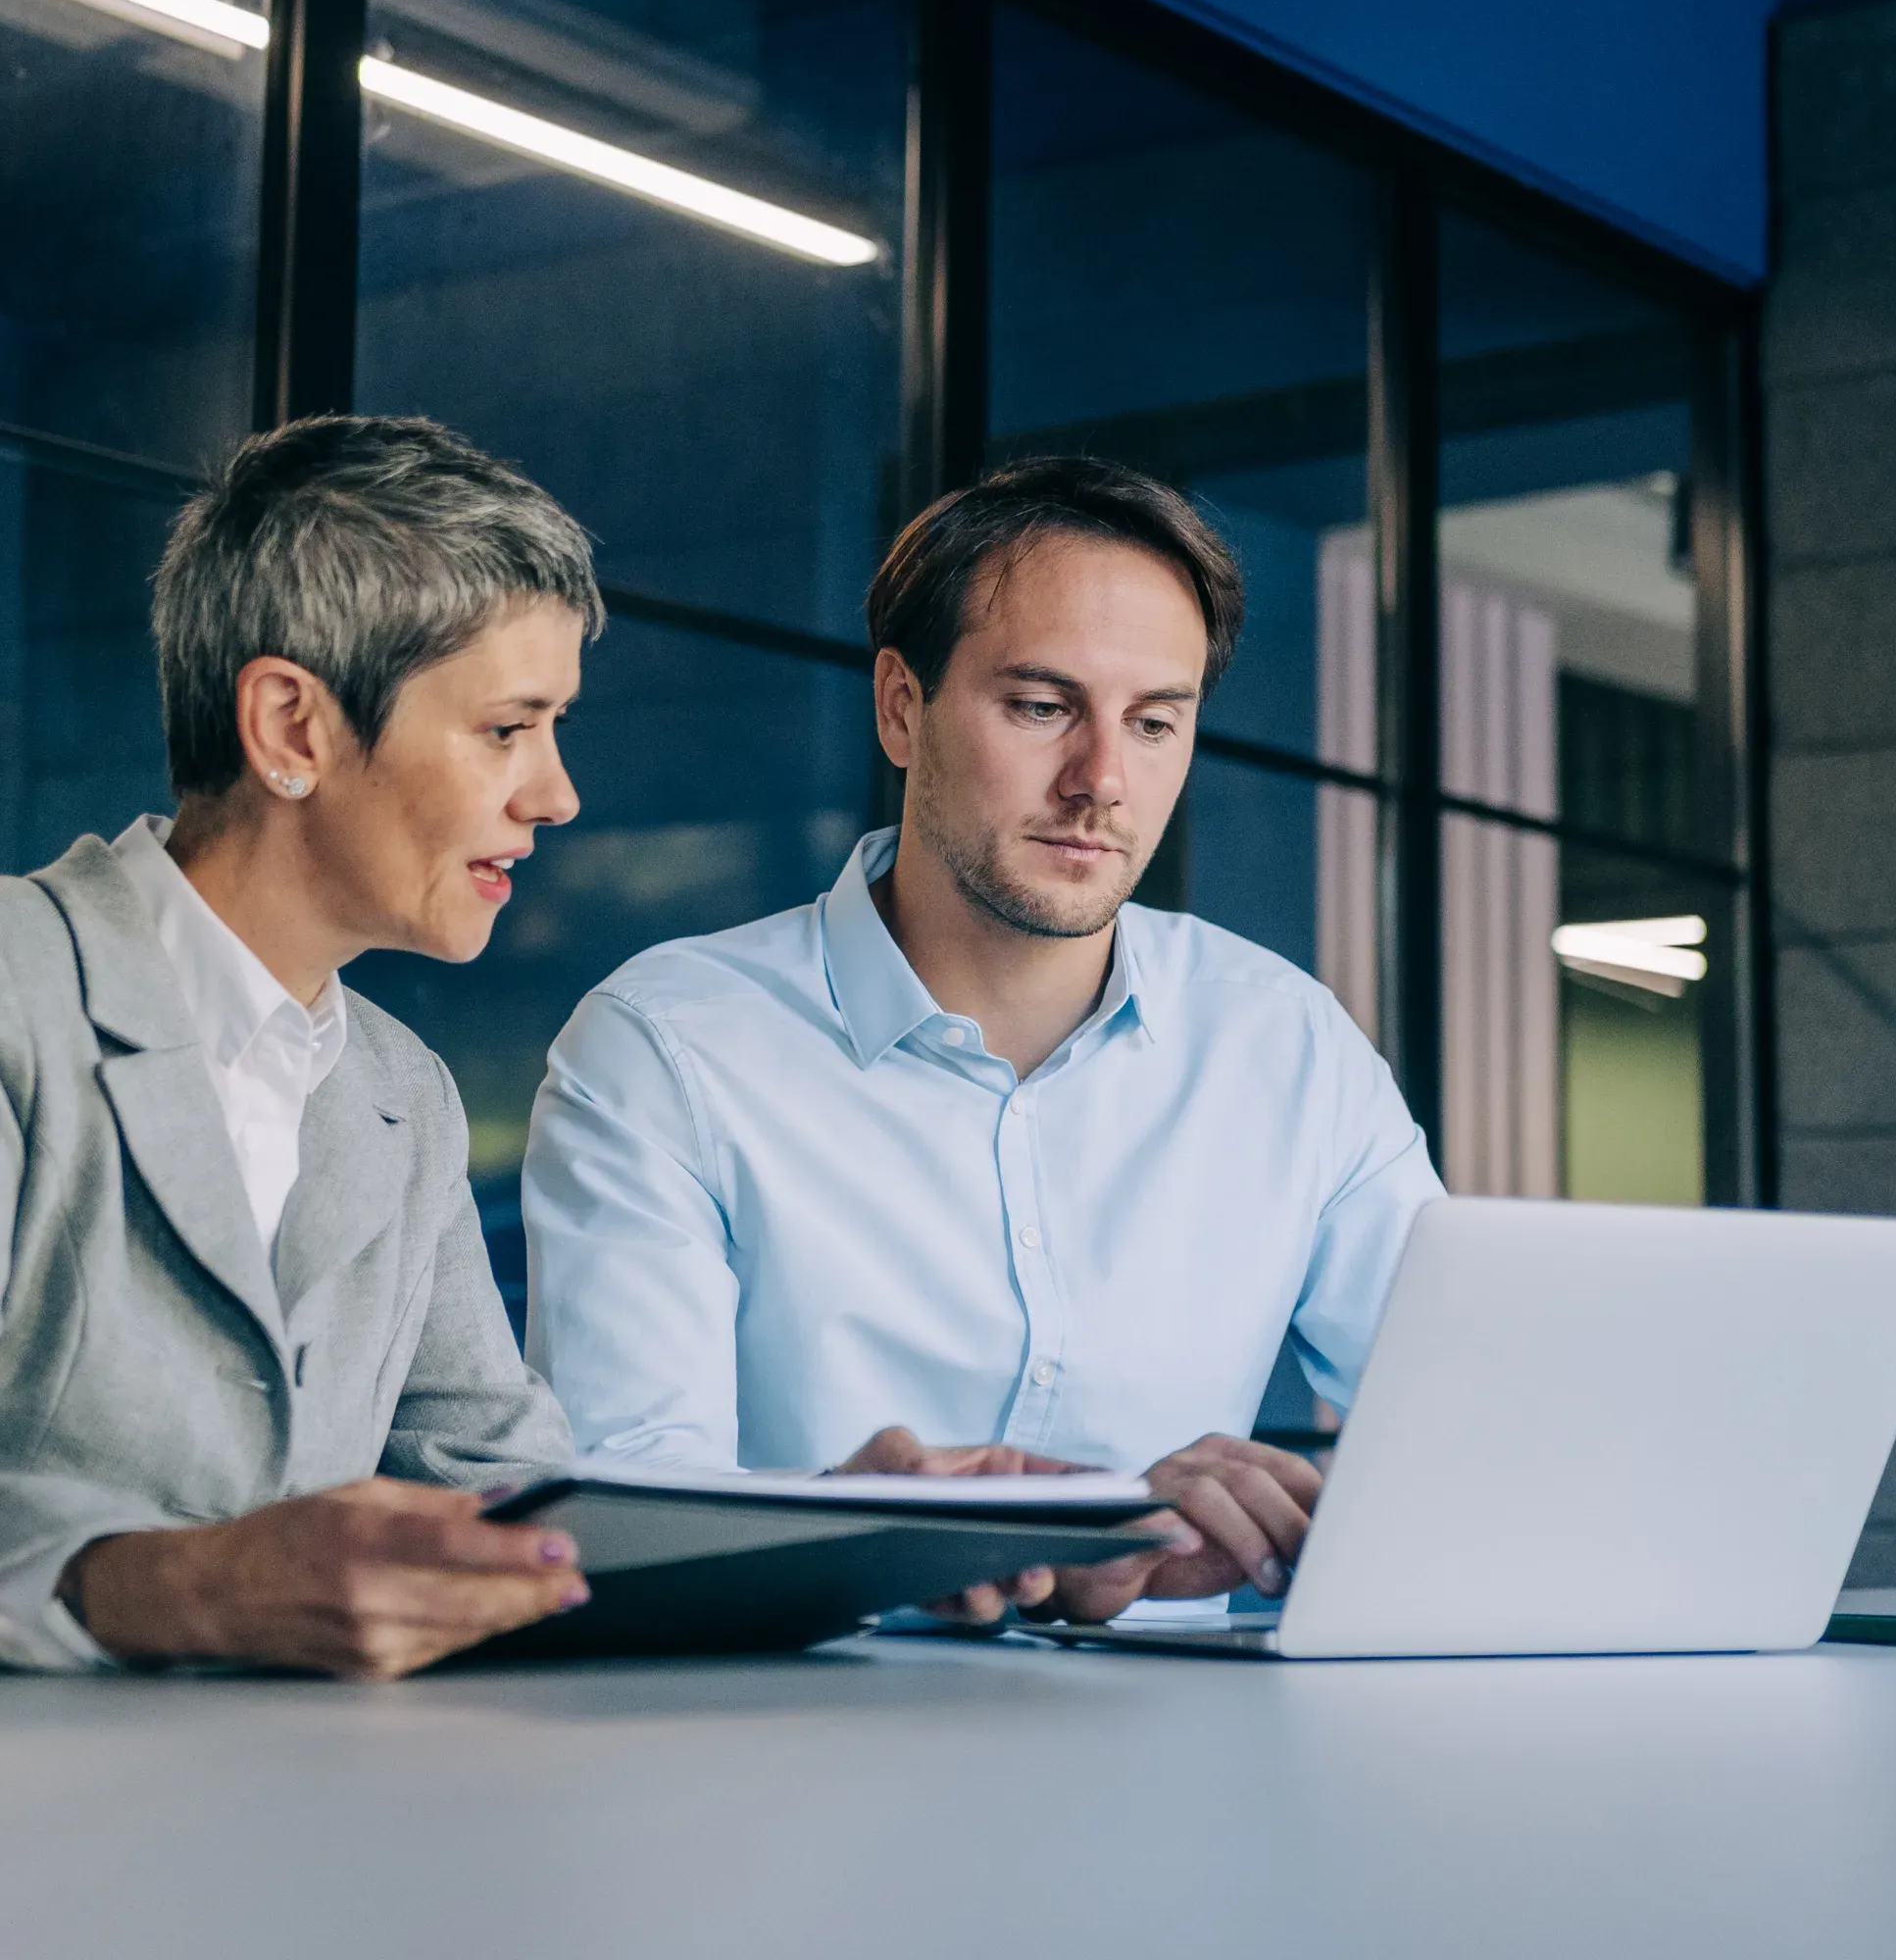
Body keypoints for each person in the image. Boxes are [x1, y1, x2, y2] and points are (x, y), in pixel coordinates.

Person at [0, 416, 609, 1678]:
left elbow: (519, 1501)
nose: (555, 794)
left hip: (179, 1814)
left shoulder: (401, 1091)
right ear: (292, 728)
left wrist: (828, 1533)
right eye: (509, 730)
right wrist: (200, 1582)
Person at [523, 456, 1444, 1622]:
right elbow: (624, 1528)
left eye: (1153, 722)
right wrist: (901, 1534)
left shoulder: (1285, 1043)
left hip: (1194, 1766)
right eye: (1042, 707)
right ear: (901, 706)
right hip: (791, 1750)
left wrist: (1312, 1526)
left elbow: (1476, 1429)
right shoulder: (666, 1047)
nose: (1101, 781)